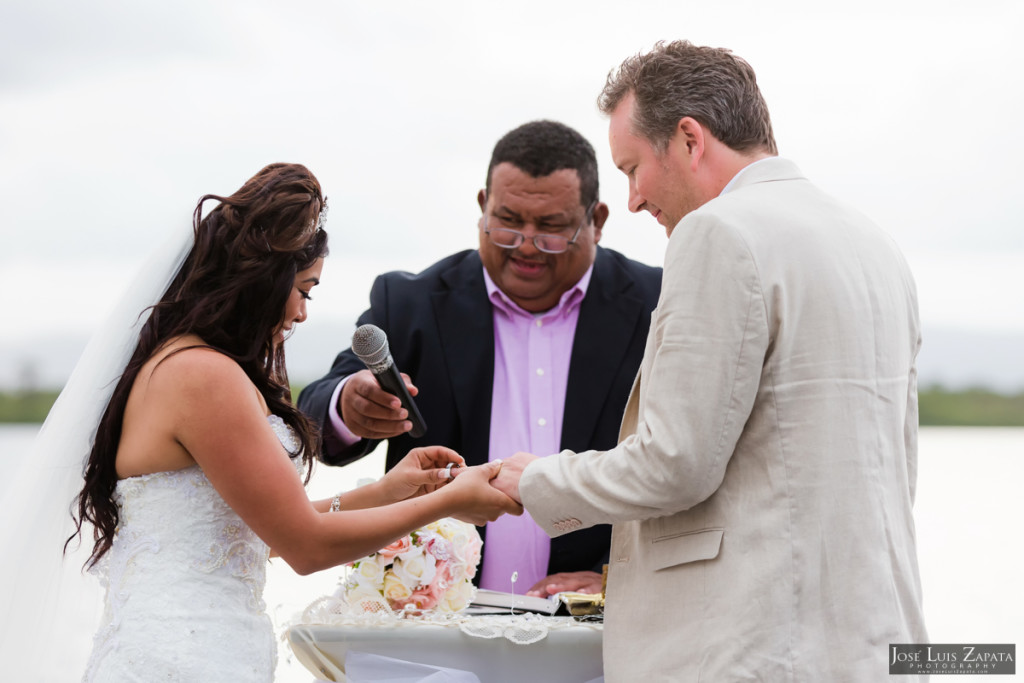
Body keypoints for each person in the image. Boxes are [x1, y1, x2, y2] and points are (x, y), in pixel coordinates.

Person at [489, 41, 928, 680]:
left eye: (633, 167)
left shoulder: (718, 232)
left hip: (753, 652)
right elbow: (899, 462)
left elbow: (676, 464)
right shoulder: (875, 243)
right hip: (881, 645)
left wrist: (536, 482)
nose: (634, 199)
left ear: (690, 140)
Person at [2, 163, 519, 682]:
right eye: (305, 290)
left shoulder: (189, 366)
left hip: (203, 653)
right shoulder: (203, 377)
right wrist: (450, 500)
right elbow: (306, 546)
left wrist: (388, 491)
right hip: (182, 662)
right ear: (263, 283)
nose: (302, 314)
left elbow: (258, 531)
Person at [298, 121, 662, 596]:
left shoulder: (658, 303)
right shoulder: (412, 302)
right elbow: (311, 417)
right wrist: (348, 405)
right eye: (508, 222)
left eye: (552, 228)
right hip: (434, 637)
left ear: (596, 220)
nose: (527, 245)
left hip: (600, 643)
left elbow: (684, 469)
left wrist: (618, 581)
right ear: (481, 207)